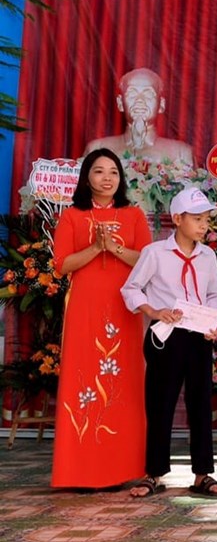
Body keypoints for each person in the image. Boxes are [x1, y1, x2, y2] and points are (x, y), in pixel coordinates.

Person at [50, 149, 152, 490]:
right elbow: (61, 265)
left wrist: (115, 248)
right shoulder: (72, 216)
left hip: (123, 308)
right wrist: (96, 247)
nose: (107, 178)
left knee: (123, 382)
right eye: (99, 171)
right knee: (82, 379)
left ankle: (119, 469)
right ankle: (80, 472)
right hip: (84, 308)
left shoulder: (134, 215)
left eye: (113, 172)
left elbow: (148, 261)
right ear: (87, 177)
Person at [121, 186, 217, 497]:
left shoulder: (208, 256)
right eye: (197, 219)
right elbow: (131, 289)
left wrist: (211, 321)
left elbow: (216, 293)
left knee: (200, 404)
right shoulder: (155, 253)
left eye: (206, 219)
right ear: (178, 219)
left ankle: (203, 474)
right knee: (160, 404)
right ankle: (153, 474)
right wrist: (154, 311)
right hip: (165, 336)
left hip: (198, 337)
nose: (204, 225)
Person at [84, 68, 195, 164]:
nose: (140, 100)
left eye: (148, 94)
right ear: (120, 103)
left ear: (161, 104)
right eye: (132, 93)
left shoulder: (181, 153)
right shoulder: (96, 149)